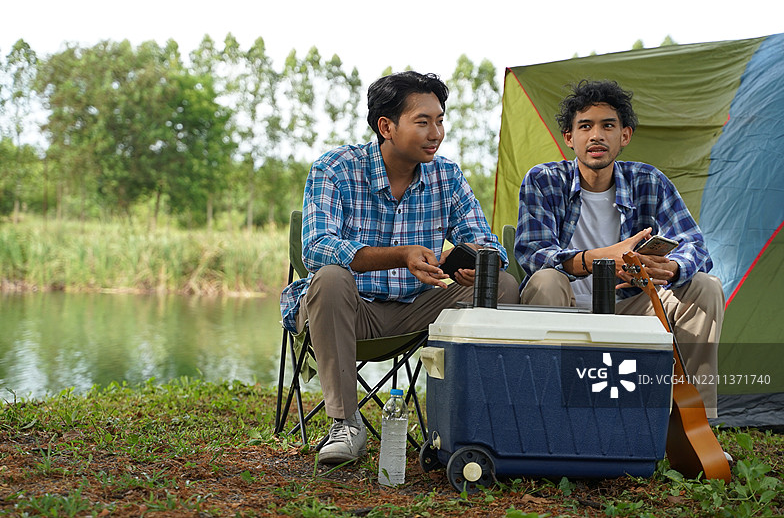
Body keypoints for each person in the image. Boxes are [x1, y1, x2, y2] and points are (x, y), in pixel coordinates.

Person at [280, 71, 520, 464]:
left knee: (502, 284)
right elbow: (317, 249)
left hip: (419, 310)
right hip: (349, 310)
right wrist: (400, 255)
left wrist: (475, 261)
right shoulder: (335, 169)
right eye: (422, 122)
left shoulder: (447, 176)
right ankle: (345, 425)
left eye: (440, 120)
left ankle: (467, 422)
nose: (436, 133)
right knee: (330, 278)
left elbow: (490, 245)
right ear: (386, 127)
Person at [514, 79, 724, 418]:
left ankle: (693, 424)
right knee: (546, 279)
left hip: (629, 306)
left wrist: (669, 268)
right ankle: (546, 418)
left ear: (624, 136)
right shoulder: (543, 180)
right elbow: (532, 253)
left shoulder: (649, 181)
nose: (596, 135)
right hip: (562, 307)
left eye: (608, 126)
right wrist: (600, 259)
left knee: (704, 286)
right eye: (585, 126)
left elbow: (695, 246)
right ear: (569, 138)